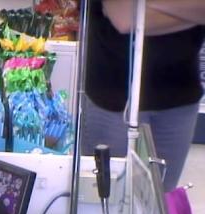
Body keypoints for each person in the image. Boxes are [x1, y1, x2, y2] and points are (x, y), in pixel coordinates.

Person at [82, 0, 205, 191]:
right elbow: (124, 18)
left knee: (160, 201)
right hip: (114, 98)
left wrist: (146, 5)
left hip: (179, 96)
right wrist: (188, 10)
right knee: (109, 200)